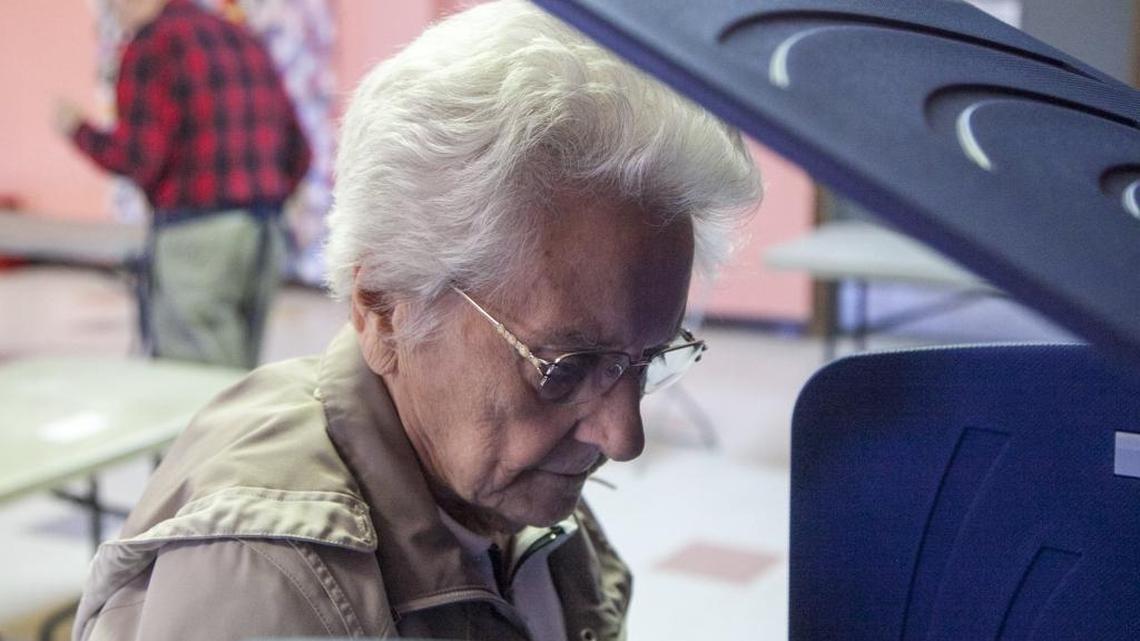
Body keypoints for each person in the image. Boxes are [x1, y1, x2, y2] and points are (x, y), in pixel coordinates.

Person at [71, 1, 760, 639]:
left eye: (643, 361)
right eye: (567, 367)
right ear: (385, 311)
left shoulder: (499, 475)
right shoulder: (265, 585)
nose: (623, 436)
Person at [56, 0, 311, 369]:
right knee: (239, 388)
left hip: (196, 237)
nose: (109, 11)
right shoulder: (240, 36)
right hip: (264, 233)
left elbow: (139, 158)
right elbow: (299, 153)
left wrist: (77, 130)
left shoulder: (153, 43)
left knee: (196, 388)